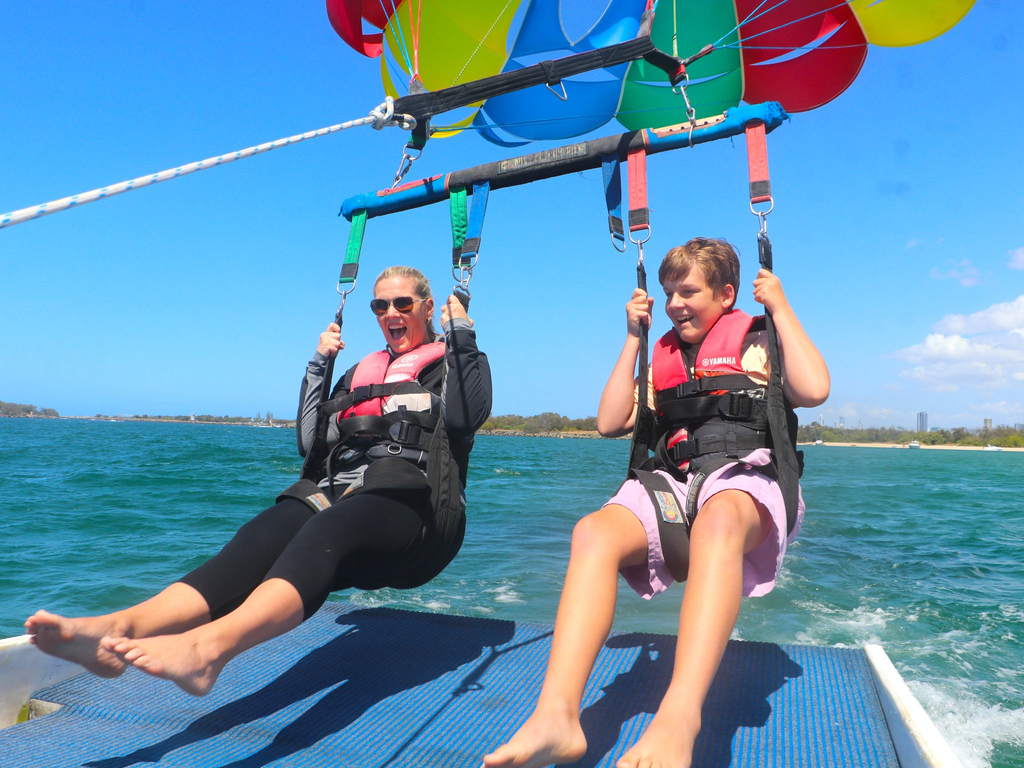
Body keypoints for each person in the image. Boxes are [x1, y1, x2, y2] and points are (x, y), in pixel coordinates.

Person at [25, 265, 492, 697]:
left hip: (416, 510)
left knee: (329, 528)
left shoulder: (452, 361)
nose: (390, 313)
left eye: (402, 304)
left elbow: (467, 417)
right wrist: (318, 365)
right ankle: (117, 630)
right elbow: (312, 443)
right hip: (343, 490)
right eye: (380, 305)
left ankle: (208, 650)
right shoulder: (359, 373)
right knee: (263, 532)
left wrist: (462, 334)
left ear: (429, 307)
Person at [483, 238, 829, 768]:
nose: (674, 303)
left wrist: (780, 307)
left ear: (727, 294)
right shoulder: (662, 352)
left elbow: (815, 388)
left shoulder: (759, 338)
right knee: (592, 533)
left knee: (716, 524)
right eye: (668, 293)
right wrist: (632, 339)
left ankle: (679, 719)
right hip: (677, 483)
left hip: (748, 479)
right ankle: (556, 716)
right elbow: (609, 423)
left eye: (687, 291)